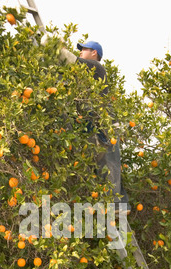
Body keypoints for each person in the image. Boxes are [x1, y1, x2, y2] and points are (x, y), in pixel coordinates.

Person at [41, 35, 131, 215]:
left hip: (106, 125)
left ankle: (118, 206)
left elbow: (71, 61)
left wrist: (53, 44)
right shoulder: (81, 78)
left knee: (110, 162)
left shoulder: (96, 68)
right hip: (92, 126)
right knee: (98, 166)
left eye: (84, 49)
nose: (81, 52)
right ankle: (113, 203)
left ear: (93, 53)